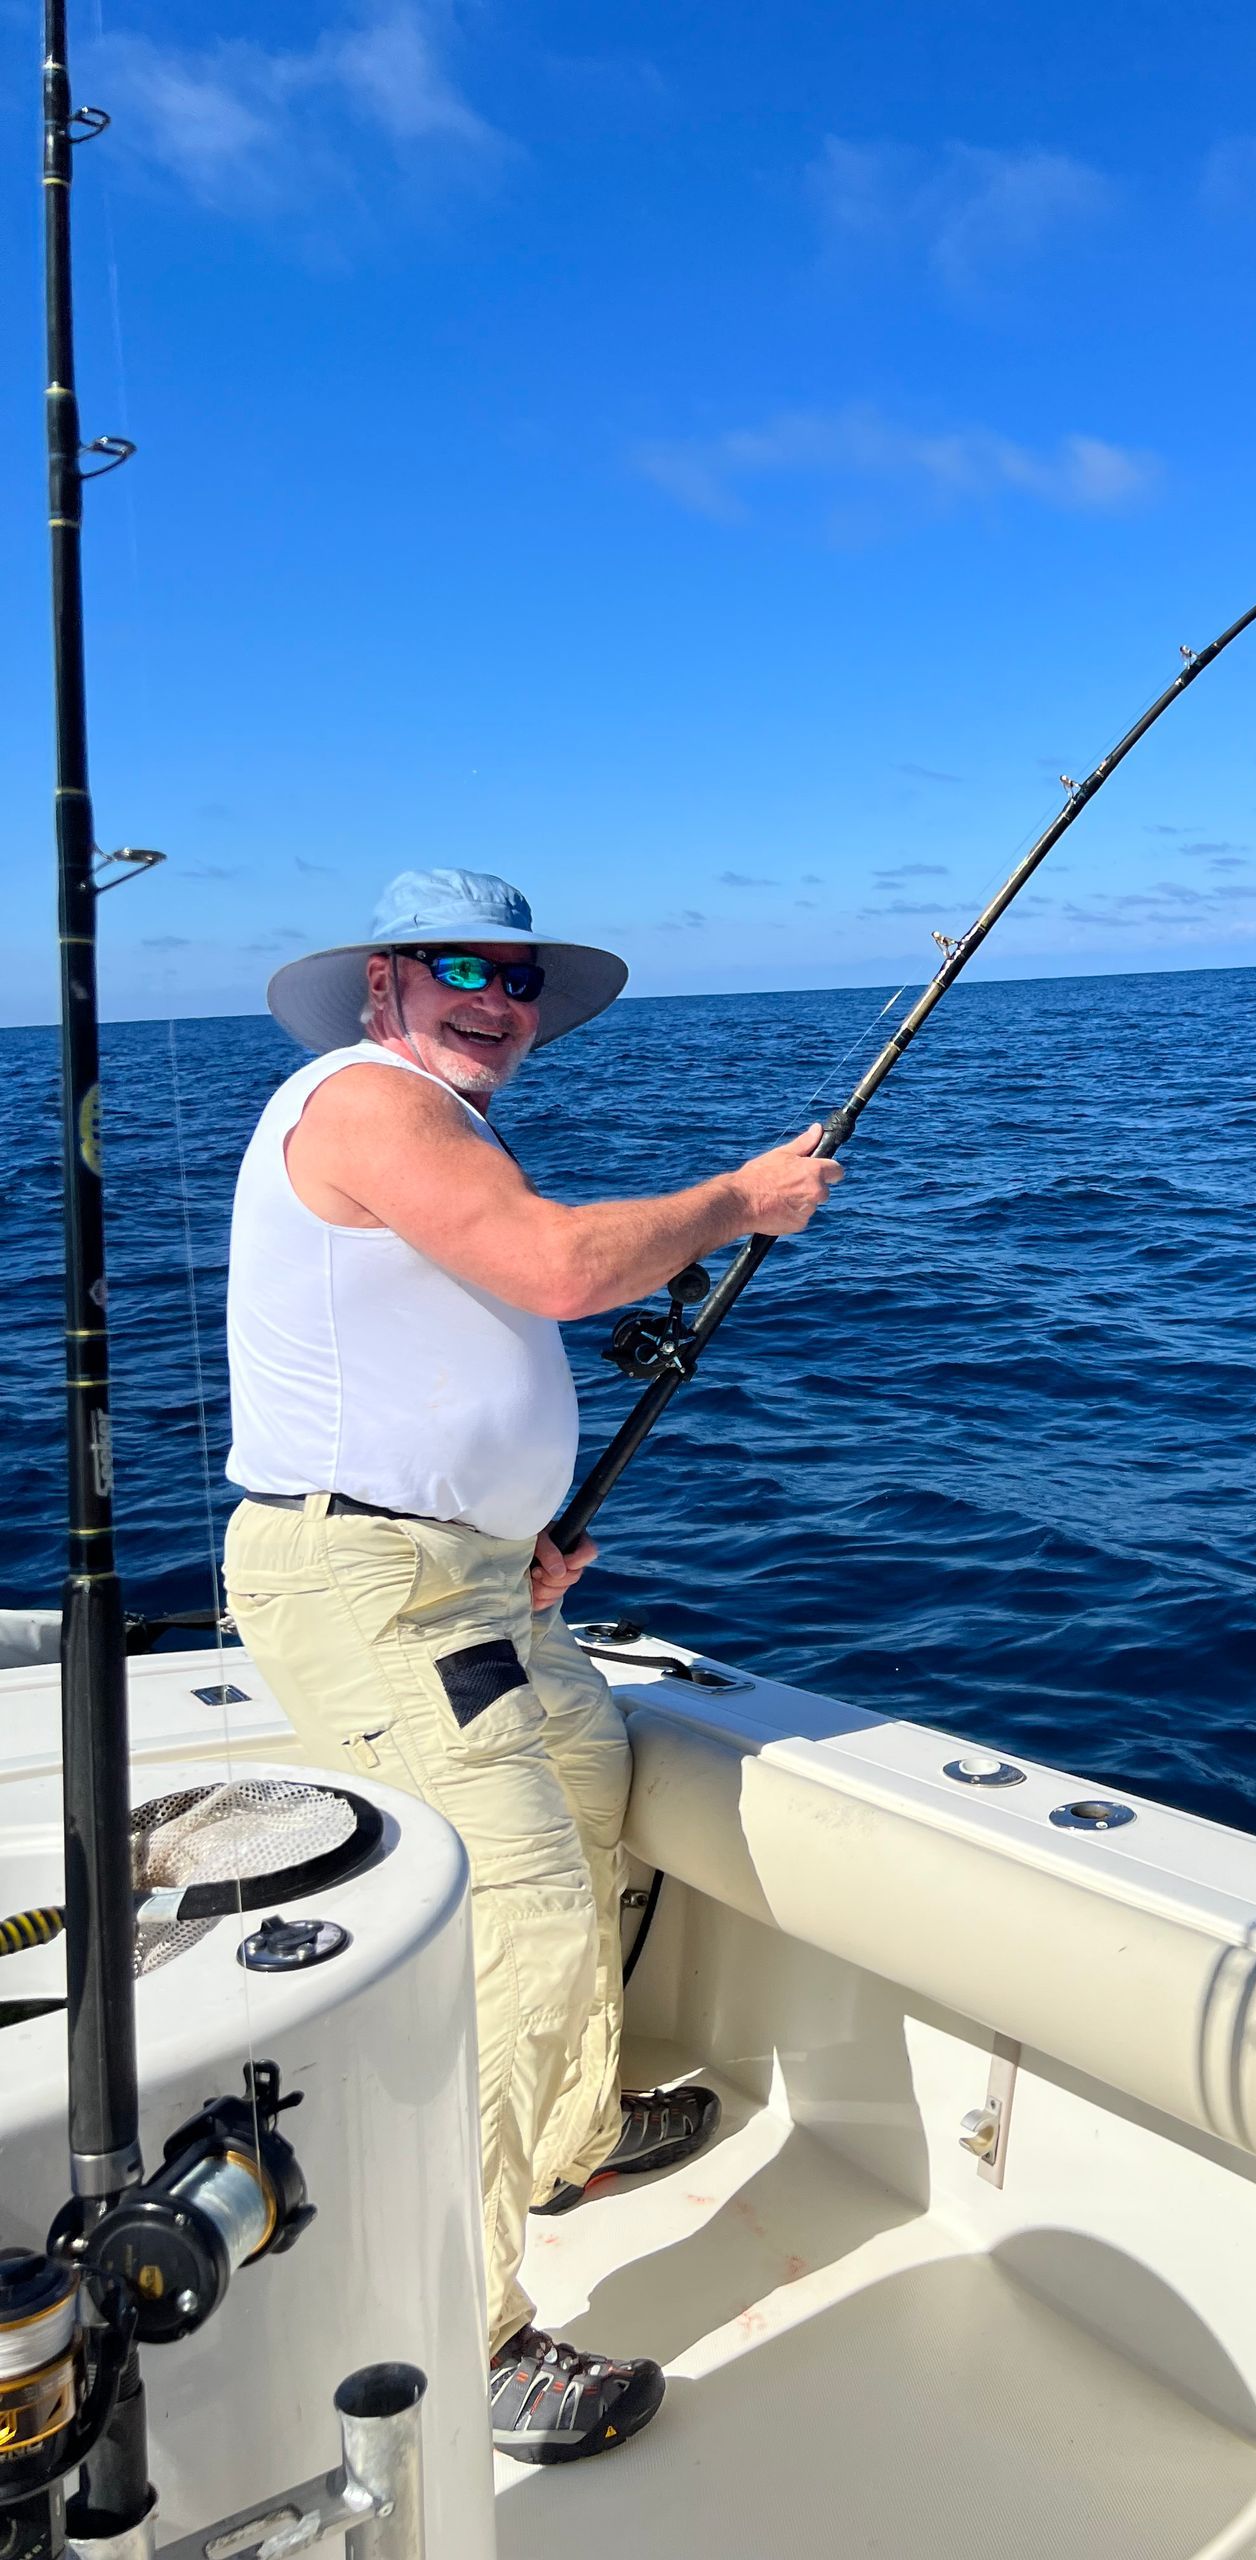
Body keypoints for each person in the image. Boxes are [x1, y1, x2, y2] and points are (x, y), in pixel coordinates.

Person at [220, 868, 842, 2465]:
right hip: (375, 1596)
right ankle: (461, 2331)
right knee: (516, 1914)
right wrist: (736, 1201)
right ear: (380, 987)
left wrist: (513, 1537)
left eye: (520, 977)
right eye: (457, 968)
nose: (498, 998)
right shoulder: (367, 1098)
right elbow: (563, 1272)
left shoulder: (443, 1119)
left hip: (474, 1587)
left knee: (584, 1783)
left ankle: (565, 2137)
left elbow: (442, 1349)